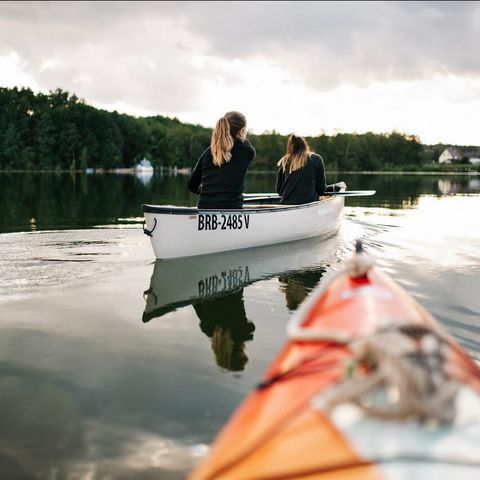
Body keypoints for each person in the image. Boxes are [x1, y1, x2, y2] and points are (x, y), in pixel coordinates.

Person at [187, 111, 256, 209]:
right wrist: (241, 136)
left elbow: (191, 185)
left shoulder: (208, 152)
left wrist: (207, 193)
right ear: (241, 132)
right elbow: (245, 144)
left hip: (205, 209)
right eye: (245, 130)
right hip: (231, 210)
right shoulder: (247, 152)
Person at [275, 134, 327, 205]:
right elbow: (321, 190)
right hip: (309, 202)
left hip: (286, 203)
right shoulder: (316, 158)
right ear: (305, 145)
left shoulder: (284, 160)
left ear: (290, 146)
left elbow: (279, 190)